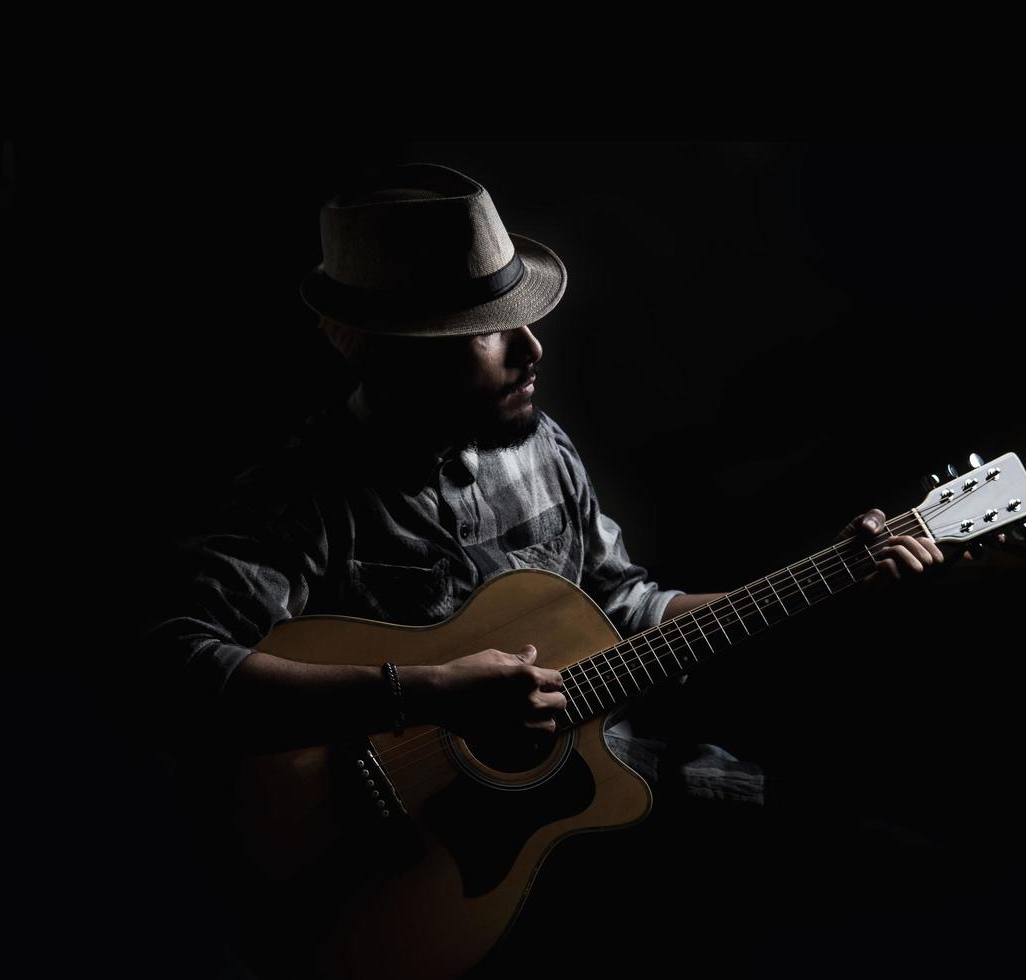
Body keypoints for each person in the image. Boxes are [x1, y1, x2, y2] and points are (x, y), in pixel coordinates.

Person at [134, 162, 955, 978]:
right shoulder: (300, 500)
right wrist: (422, 691)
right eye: (488, 330)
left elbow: (623, 606)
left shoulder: (540, 446)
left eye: (521, 319)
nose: (531, 349)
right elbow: (172, 668)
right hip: (411, 871)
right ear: (394, 354)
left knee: (882, 854)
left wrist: (830, 577)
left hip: (601, 783)